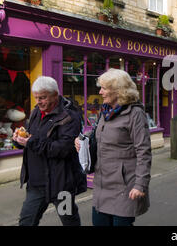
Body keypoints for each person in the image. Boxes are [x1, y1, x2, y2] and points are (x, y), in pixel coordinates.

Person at [75, 68, 152, 226]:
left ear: (118, 90)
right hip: (102, 183)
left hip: (125, 186)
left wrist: (140, 185)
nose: (100, 92)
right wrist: (83, 141)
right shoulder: (105, 111)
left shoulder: (135, 113)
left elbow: (144, 152)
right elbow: (97, 134)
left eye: (104, 88)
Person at [13, 76, 86, 226]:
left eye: (43, 97)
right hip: (36, 184)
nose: (38, 101)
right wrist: (20, 141)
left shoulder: (69, 116)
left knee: (69, 221)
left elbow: (64, 149)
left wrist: (31, 141)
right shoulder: (35, 112)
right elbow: (31, 140)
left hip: (62, 185)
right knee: (26, 222)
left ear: (55, 95)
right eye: (36, 98)